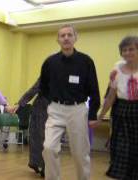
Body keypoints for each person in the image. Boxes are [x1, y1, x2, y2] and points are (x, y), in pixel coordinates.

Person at [39, 24, 100, 180]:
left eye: (69, 35)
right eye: (62, 35)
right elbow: (43, 87)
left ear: (75, 38)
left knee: (80, 153)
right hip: (55, 110)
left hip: (77, 110)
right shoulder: (50, 62)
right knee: (49, 148)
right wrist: (52, 103)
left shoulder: (86, 61)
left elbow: (94, 90)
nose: (66, 38)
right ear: (58, 40)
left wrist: (92, 114)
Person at [96, 36, 138, 179]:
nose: (127, 53)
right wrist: (100, 117)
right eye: (124, 50)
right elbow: (111, 96)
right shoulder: (117, 69)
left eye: (131, 49)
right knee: (121, 149)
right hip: (121, 111)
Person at [14, 78, 49, 177]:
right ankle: (38, 164)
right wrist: (20, 103)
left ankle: (40, 164)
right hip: (40, 109)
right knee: (37, 138)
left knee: (44, 139)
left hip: (54, 110)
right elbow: (34, 89)